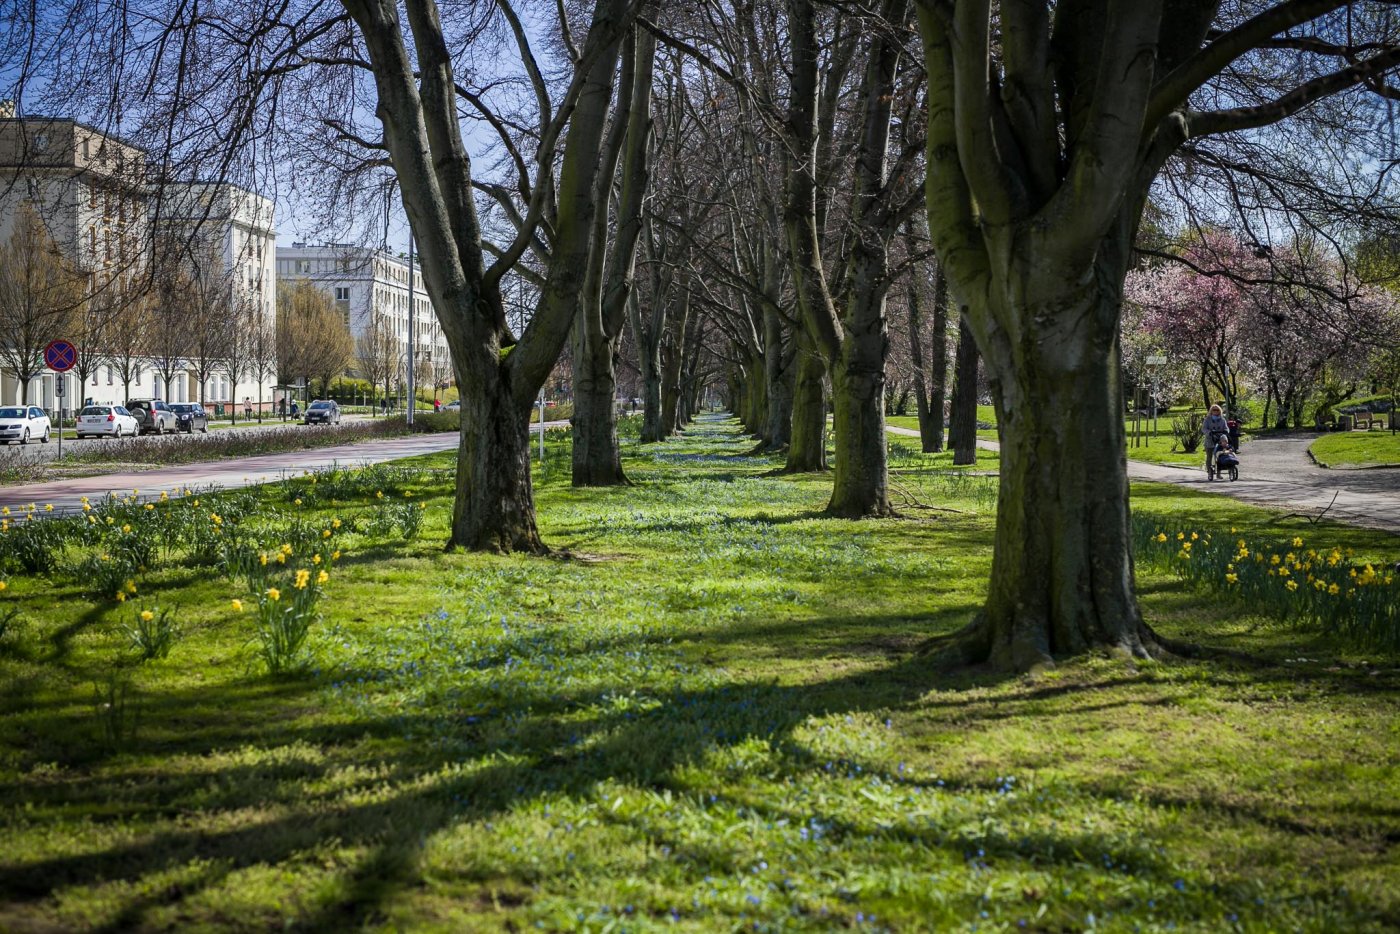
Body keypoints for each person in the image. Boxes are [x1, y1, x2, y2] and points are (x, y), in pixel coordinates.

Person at [1202, 404, 1230, 479]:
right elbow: (1204, 429)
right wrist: (1209, 432)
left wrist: (1225, 431)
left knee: (1219, 457)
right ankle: (1209, 472)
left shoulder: (1222, 420)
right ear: (1211, 411)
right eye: (1214, 410)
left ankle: (1218, 473)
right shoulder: (1207, 419)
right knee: (1209, 457)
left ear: (1219, 411)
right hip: (1210, 440)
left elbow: (1226, 428)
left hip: (1219, 440)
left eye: (1217, 410)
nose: (1216, 411)